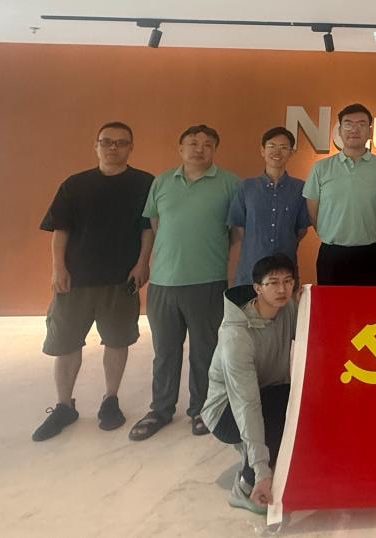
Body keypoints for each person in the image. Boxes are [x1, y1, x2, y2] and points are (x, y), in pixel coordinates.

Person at [32, 121, 154, 441]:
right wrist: (58, 268)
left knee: (117, 341)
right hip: (76, 280)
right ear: (96, 146)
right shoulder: (75, 185)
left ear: (131, 147)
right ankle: (64, 406)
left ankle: (110, 399)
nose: (113, 147)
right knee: (66, 343)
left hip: (121, 280)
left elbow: (147, 229)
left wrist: (143, 263)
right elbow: (61, 230)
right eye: (106, 141)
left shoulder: (145, 183)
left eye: (121, 142)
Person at [129, 124, 239, 440]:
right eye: (192, 143)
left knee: (205, 351)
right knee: (164, 350)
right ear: (180, 148)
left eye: (207, 144)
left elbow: (236, 234)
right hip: (164, 282)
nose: (199, 149)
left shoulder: (229, 183)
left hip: (208, 280)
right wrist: (145, 263)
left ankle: (202, 409)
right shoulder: (162, 182)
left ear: (214, 150)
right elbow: (153, 226)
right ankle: (160, 409)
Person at [203, 254, 297, 515]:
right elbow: (246, 403)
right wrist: (261, 471)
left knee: (296, 398)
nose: (282, 289)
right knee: (279, 409)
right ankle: (245, 487)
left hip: (265, 392)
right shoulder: (236, 335)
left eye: (288, 281)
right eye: (273, 283)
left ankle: (258, 453)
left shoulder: (287, 308)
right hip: (225, 412)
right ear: (258, 288)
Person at [303, 103, 376, 286]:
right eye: (348, 124)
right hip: (332, 253)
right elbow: (313, 212)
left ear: (370, 131)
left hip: (372, 253)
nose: (354, 129)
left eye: (361, 124)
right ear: (339, 131)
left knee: (369, 304)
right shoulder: (321, 168)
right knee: (331, 304)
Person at [229, 127, 310, 285]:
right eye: (271, 146)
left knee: (285, 300)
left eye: (283, 147)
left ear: (291, 152)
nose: (277, 152)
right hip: (251, 268)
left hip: (285, 270)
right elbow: (239, 227)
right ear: (262, 150)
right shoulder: (246, 186)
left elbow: (301, 230)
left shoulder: (300, 188)